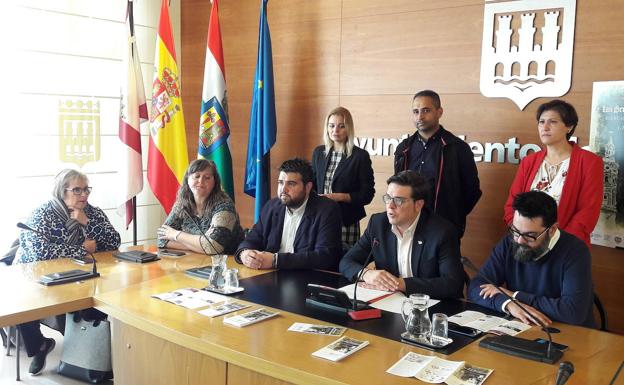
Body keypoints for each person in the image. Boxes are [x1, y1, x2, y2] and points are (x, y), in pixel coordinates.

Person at [15, 169, 121, 375]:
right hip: (35, 276)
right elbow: (40, 252)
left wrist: (87, 223)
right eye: (77, 190)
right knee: (22, 305)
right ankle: (39, 346)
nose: (84, 195)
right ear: (62, 191)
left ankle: (87, 355)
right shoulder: (43, 213)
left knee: (93, 299)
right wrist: (83, 249)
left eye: (86, 190)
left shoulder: (92, 212)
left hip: (77, 275)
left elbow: (114, 241)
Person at [469, 191, 594, 328]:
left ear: (551, 230)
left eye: (530, 235)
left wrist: (515, 296)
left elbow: (573, 312)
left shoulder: (575, 251)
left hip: (569, 332)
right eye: (515, 231)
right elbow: (476, 288)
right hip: (522, 326)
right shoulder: (509, 243)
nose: (520, 241)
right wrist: (509, 304)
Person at [339, 171, 464, 299]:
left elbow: (452, 284)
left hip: (428, 305)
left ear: (418, 205)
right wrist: (366, 274)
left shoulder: (442, 232)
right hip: (389, 301)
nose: (390, 206)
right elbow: (346, 261)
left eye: (398, 201)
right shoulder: (378, 224)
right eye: (388, 198)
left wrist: (401, 284)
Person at [504, 100, 604, 247]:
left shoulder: (590, 162)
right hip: (526, 245)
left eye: (553, 122)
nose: (545, 127)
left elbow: (588, 211)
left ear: (569, 126)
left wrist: (558, 244)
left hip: (567, 247)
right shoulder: (529, 161)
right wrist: (521, 235)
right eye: (541, 122)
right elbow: (512, 204)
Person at [394, 90, 481, 238]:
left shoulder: (457, 148)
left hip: (444, 228)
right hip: (408, 226)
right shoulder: (404, 148)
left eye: (426, 110)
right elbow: (397, 187)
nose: (420, 117)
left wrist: (453, 214)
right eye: (416, 112)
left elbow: (472, 191)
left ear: (439, 112)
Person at [235, 158, 342, 270]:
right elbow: (252, 239)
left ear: (308, 187)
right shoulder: (272, 206)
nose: (283, 189)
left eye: (291, 184)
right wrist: (244, 254)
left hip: (307, 278)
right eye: (281, 183)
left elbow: (324, 256)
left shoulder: (327, 210)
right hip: (270, 275)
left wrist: (276, 261)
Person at [312, 107, 375, 248]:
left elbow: (367, 194)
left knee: (343, 262)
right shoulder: (319, 153)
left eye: (341, 126)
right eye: (331, 126)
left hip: (347, 221)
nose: (335, 130)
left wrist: (339, 197)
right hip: (321, 218)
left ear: (349, 129)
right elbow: (312, 185)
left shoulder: (360, 156)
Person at [157, 159, 244, 254]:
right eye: (196, 176)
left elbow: (213, 247)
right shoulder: (182, 203)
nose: (201, 181)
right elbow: (161, 239)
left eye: (207, 177)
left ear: (215, 182)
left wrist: (176, 235)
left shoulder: (224, 205)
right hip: (198, 259)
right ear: (187, 179)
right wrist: (199, 246)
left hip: (228, 263)